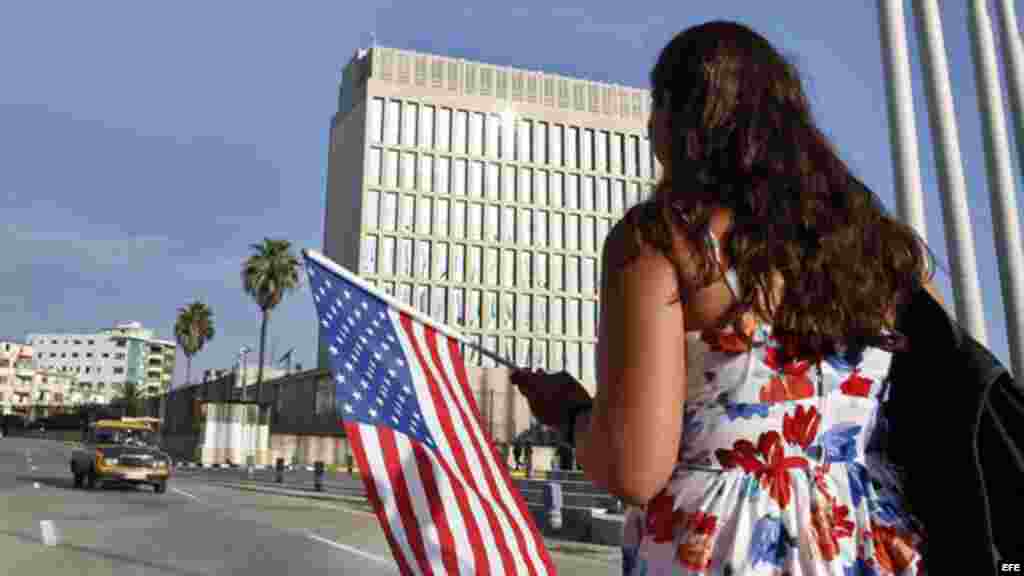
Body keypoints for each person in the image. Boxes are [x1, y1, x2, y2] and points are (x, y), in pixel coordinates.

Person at [511, 20, 938, 574]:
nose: (648, 126)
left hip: (723, 547)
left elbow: (635, 468)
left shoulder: (663, 242)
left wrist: (571, 414)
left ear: (685, 119)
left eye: (657, 105)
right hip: (867, 540)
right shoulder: (884, 250)